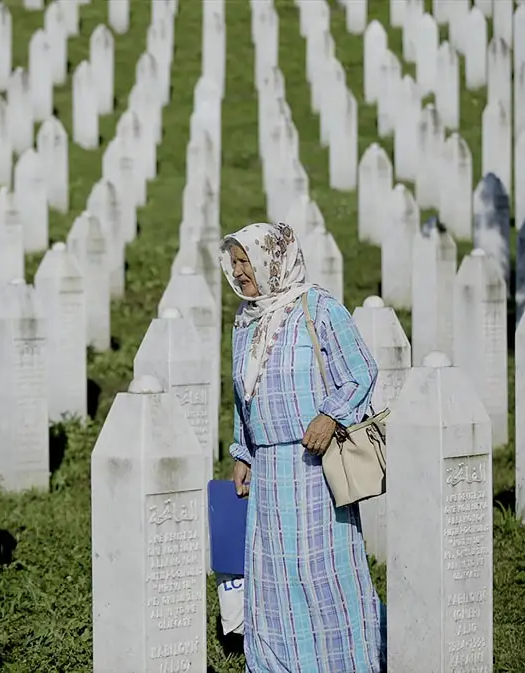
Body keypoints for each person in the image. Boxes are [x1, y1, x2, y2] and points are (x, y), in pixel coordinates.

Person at [220, 222, 385, 673]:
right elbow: (243, 394)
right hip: (271, 471)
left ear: (273, 261)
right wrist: (242, 450)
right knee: (272, 579)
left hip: (315, 469)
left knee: (323, 576)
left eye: (245, 261)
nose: (238, 272)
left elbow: (361, 370)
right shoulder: (247, 321)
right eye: (233, 262)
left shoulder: (319, 308)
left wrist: (330, 414)